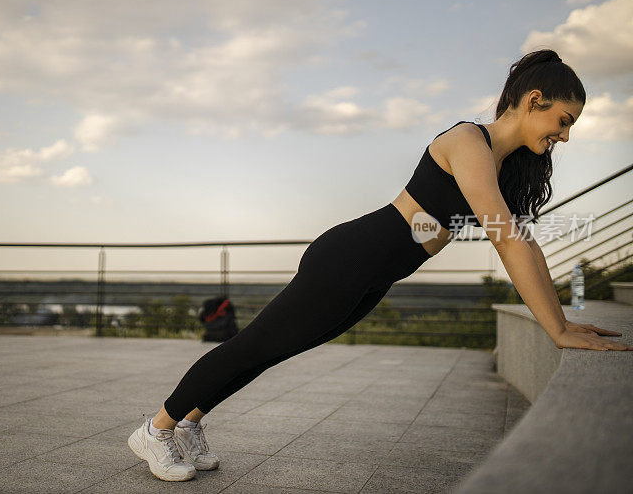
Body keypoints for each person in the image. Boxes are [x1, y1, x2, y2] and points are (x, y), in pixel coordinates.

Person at [126, 48, 633, 481]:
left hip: (371, 275)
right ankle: (156, 429)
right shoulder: (467, 142)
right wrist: (557, 332)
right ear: (533, 102)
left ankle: (188, 422)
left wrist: (562, 321)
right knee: (254, 345)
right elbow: (507, 242)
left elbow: (522, 240)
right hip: (348, 260)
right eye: (563, 121)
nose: (564, 136)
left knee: (268, 352)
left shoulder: (498, 162)